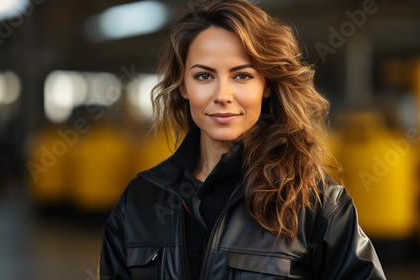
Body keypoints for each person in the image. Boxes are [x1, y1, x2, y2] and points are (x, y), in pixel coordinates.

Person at [98, 0, 385, 279]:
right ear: (183, 86)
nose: (222, 95)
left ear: (267, 85)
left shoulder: (318, 205)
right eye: (204, 76)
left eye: (242, 76)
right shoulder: (139, 201)